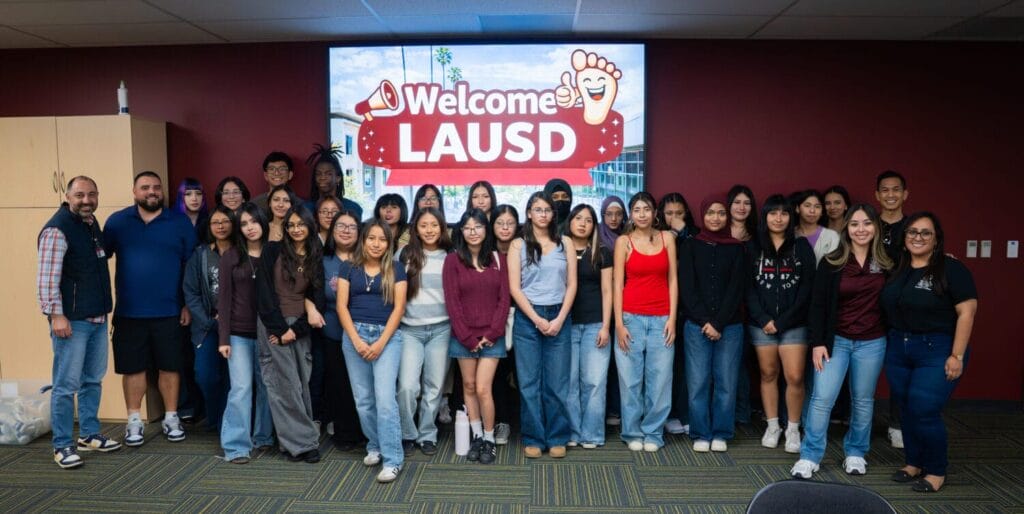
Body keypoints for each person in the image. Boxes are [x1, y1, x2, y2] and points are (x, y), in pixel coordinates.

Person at [791, 204, 893, 480]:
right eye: (855, 224)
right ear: (847, 228)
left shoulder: (888, 262)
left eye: (867, 223)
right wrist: (818, 342)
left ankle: (856, 452)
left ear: (876, 227)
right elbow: (818, 305)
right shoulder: (833, 261)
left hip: (872, 342)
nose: (861, 229)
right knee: (822, 398)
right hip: (835, 341)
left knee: (862, 401)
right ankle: (810, 455)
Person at [882, 212, 977, 493]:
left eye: (925, 233)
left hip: (937, 349)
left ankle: (936, 469)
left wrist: (957, 355)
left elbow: (967, 312)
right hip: (899, 346)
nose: (918, 238)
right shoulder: (898, 268)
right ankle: (913, 463)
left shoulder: (951, 268)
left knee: (924, 408)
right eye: (912, 232)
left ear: (936, 239)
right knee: (906, 409)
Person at [104, 171, 198, 446]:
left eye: (156, 187)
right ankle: (134, 421)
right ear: (135, 192)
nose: (152, 192)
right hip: (129, 312)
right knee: (133, 369)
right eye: (145, 188)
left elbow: (190, 267)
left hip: (170, 311)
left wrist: (187, 305)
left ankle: (171, 417)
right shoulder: (117, 222)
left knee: (170, 367)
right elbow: (97, 259)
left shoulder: (179, 223)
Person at [38, 175, 120, 469]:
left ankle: (88, 433)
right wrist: (56, 315)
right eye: (80, 195)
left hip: (97, 315)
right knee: (65, 385)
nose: (87, 201)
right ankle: (62, 445)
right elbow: (47, 279)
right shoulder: (57, 229)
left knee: (92, 379)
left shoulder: (89, 223)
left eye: (92, 195)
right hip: (71, 320)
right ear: (68, 196)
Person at [336, 218, 408, 483]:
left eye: (382, 239)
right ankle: (375, 445)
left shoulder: (397, 269)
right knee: (363, 400)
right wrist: (356, 340)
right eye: (372, 238)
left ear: (389, 244)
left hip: (386, 338)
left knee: (385, 400)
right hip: (354, 335)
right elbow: (341, 307)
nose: (376, 244)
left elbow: (399, 309)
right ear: (363, 240)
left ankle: (393, 460)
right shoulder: (348, 268)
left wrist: (379, 343)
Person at [509, 192, 577, 458]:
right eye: (537, 209)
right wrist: (537, 319)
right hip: (528, 318)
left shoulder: (566, 243)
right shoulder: (517, 245)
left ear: (553, 214)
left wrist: (559, 319)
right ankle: (534, 437)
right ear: (529, 213)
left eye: (547, 210)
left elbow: (572, 285)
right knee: (529, 383)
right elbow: (515, 288)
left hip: (560, 315)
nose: (543, 214)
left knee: (557, 384)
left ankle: (557, 436)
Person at [255, 206, 325, 464]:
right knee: (284, 386)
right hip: (273, 325)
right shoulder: (272, 251)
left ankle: (291, 443)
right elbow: (263, 293)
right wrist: (279, 330)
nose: (296, 229)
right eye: (291, 225)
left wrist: (294, 331)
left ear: (309, 226)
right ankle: (304, 443)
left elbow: (316, 300)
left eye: (301, 224)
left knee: (300, 384)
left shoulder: (316, 256)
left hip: (300, 329)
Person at [746, 195, 815, 453]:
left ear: (790, 217)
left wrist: (783, 321)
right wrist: (764, 319)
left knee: (795, 376)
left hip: (794, 323)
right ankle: (773, 425)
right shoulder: (753, 247)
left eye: (783, 213)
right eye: (773, 213)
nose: (778, 218)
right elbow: (748, 288)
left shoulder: (802, 246)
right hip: (760, 323)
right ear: (764, 217)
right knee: (768, 373)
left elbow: (807, 289)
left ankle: (793, 428)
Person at [680, 194, 745, 453]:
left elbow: (737, 289)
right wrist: (706, 321)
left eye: (720, 213)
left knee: (726, 383)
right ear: (702, 215)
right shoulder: (691, 245)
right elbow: (688, 288)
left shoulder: (737, 247)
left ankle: (721, 432)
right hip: (696, 326)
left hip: (730, 326)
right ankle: (700, 432)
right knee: (697, 383)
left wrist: (718, 322)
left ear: (727, 216)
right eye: (710, 213)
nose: (715, 218)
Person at [445, 209, 511, 464]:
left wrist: (492, 334)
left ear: (486, 230)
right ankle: (476, 437)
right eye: (468, 227)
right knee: (469, 387)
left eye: (478, 227)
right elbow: (453, 302)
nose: (473, 232)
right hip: (463, 336)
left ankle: (490, 438)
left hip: (492, 336)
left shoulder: (497, 259)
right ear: (461, 231)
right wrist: (467, 337)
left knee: (484, 388)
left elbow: (503, 300)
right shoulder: (453, 261)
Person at [613, 192, 677, 452]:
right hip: (630, 318)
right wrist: (618, 323)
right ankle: (631, 432)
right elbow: (618, 284)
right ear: (631, 214)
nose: (642, 214)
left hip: (662, 318)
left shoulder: (667, 238)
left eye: (646, 209)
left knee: (660, 380)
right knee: (630, 380)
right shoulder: (623, 242)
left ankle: (653, 432)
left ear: (654, 213)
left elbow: (673, 280)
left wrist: (673, 318)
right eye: (637, 209)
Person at [217, 203, 275, 464]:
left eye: (254, 221)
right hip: (238, 334)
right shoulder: (231, 255)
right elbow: (224, 300)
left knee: (266, 386)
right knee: (240, 388)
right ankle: (236, 446)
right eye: (244, 223)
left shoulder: (274, 253)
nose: (250, 227)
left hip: (267, 332)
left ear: (263, 222)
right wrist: (224, 338)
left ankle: (262, 437)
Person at [397, 207, 453, 457]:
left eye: (434, 225)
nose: (429, 230)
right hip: (410, 330)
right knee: (408, 387)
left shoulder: (451, 256)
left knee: (434, 386)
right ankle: (407, 433)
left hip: (442, 329)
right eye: (423, 225)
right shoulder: (404, 254)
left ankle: (427, 433)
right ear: (415, 229)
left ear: (442, 228)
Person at [182, 205, 234, 433]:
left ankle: (228, 423)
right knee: (206, 375)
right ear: (209, 227)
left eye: (225, 222)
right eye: (216, 223)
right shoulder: (201, 255)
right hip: (206, 326)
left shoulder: (241, 252)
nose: (220, 226)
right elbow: (191, 292)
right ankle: (215, 418)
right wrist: (207, 320)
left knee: (234, 379)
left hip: (238, 326)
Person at [566, 204, 613, 449]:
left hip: (596, 324)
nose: (583, 223)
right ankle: (573, 432)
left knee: (594, 382)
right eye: (578, 218)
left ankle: (592, 434)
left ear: (594, 225)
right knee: (570, 382)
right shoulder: (559, 251)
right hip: (567, 326)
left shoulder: (602, 253)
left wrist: (606, 326)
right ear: (570, 221)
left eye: (588, 219)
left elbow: (607, 291)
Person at [320, 209, 366, 451]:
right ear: (332, 231)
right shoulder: (323, 260)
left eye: (351, 227)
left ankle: (366, 433)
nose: (346, 231)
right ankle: (345, 435)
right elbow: (313, 293)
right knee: (339, 385)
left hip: (365, 334)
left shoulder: (367, 259)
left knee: (362, 387)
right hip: (334, 333)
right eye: (341, 226)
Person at [657, 192, 698, 435]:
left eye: (679, 213)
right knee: (664, 366)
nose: (673, 218)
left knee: (687, 366)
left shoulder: (694, 235)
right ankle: (668, 414)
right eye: (669, 213)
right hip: (660, 307)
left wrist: (683, 231)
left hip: (690, 308)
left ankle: (686, 413)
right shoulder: (653, 235)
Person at [875, 170, 910, 449]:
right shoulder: (867, 224)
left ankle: (897, 423)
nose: (890, 195)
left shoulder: (913, 227)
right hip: (868, 306)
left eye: (895, 190)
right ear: (877, 195)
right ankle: (855, 418)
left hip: (903, 309)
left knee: (900, 369)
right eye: (885, 190)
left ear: (904, 194)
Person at [490, 204, 520, 445]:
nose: (505, 228)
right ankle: (502, 422)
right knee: (498, 373)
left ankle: (524, 422)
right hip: (492, 321)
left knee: (522, 373)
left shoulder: (524, 249)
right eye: (500, 223)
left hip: (524, 317)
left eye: (510, 223)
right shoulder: (485, 252)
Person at [727, 185, 757, 425]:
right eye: (737, 202)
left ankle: (742, 412)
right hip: (724, 306)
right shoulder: (718, 231)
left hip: (751, 306)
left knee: (743, 362)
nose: (741, 207)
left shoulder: (758, 235)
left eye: (746, 202)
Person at [599, 196, 627, 427]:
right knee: (602, 365)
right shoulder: (596, 236)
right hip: (601, 304)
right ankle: (607, 409)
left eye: (618, 213)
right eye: (609, 213)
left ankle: (619, 409)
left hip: (629, 303)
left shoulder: (631, 236)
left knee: (623, 360)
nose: (614, 218)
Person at [304, 143, 363, 220]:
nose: (322, 177)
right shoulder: (305, 208)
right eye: (318, 174)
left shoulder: (353, 208)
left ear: (338, 178)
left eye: (328, 174)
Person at [793, 189, 840, 264]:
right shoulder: (789, 234)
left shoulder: (832, 236)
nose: (812, 211)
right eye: (807, 206)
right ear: (797, 209)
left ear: (822, 211)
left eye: (817, 207)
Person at [253, 151, 296, 215]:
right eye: (272, 169)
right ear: (266, 175)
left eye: (282, 169)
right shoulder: (255, 204)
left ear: (290, 175)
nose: (276, 173)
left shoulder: (299, 204)